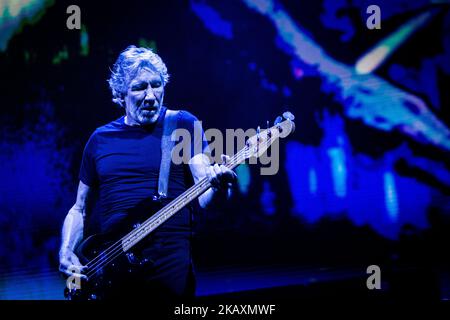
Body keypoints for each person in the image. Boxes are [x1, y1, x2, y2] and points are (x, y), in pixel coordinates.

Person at [58, 45, 236, 300]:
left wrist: (219, 185)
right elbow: (79, 209)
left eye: (157, 85)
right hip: (110, 275)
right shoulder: (99, 139)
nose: (151, 96)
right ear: (121, 94)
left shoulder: (182, 124)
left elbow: (204, 193)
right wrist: (65, 251)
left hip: (168, 276)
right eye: (140, 87)